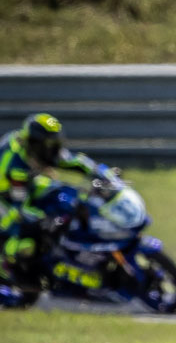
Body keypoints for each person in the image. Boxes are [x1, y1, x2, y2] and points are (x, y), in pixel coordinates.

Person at [1, 113, 108, 291]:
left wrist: (104, 173)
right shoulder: (16, 165)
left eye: (55, 143)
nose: (53, 149)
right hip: (6, 196)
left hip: (29, 184)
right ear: (35, 143)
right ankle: (13, 269)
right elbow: (20, 208)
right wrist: (43, 219)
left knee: (64, 195)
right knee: (24, 234)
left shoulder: (36, 149)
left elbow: (76, 162)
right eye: (48, 145)